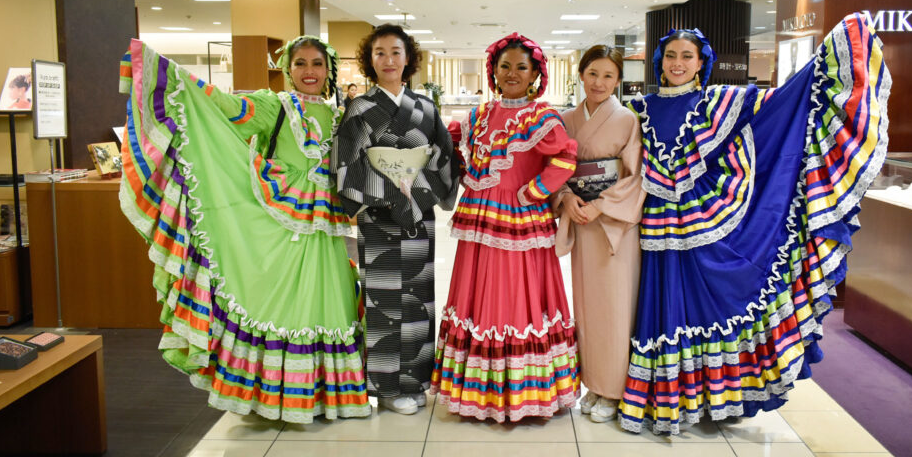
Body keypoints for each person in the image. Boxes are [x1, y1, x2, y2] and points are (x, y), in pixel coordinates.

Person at [619, 13, 891, 435]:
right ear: (659, 61)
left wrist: (826, 61)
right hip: (655, 224)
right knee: (662, 304)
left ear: (700, 63)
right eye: (670, 55)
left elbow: (782, 106)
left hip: (708, 224)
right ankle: (664, 398)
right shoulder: (640, 108)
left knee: (710, 303)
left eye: (686, 56)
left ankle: (713, 397)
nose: (677, 63)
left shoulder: (721, 101)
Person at [119, 35, 370, 423]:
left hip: (326, 231)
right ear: (288, 69)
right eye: (300, 63)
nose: (309, 72)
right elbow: (227, 107)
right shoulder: (275, 105)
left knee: (330, 301)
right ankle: (278, 397)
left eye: (317, 64)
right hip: (282, 227)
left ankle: (324, 395)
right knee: (280, 304)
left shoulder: (340, 117)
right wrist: (180, 79)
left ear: (329, 70)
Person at [431, 32, 580, 422]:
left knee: (517, 296)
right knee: (478, 293)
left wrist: (534, 192)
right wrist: (462, 172)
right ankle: (479, 393)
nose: (512, 73)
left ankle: (523, 393)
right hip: (480, 219)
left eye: (521, 67)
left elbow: (564, 160)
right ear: (493, 71)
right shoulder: (479, 116)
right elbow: (453, 146)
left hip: (521, 219)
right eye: (504, 66)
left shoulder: (543, 117)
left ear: (535, 74)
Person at [335, 24, 457, 414]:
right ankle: (387, 386)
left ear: (409, 58)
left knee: (419, 296)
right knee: (385, 300)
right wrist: (391, 193)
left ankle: (417, 379)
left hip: (418, 214)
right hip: (380, 215)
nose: (388, 60)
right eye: (379, 53)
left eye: (395, 52)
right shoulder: (359, 109)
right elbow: (347, 163)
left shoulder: (425, 108)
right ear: (370, 61)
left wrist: (418, 189)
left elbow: (444, 159)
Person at [552, 45, 645, 422]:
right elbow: (555, 169)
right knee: (586, 306)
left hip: (613, 224)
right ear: (581, 74)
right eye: (593, 74)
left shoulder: (627, 120)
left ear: (619, 80)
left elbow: (637, 176)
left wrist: (601, 205)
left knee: (614, 306)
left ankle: (615, 389)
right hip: (581, 219)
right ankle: (593, 383)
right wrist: (565, 198)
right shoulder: (566, 120)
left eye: (608, 76)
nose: (600, 82)